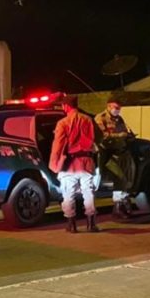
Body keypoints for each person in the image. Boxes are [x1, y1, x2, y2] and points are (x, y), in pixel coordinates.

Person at [49, 95, 100, 233]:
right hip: (86, 162)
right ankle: (91, 224)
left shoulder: (63, 123)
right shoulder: (88, 120)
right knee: (88, 193)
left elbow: (58, 145)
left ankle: (72, 225)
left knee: (68, 194)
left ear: (66, 106)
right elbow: (97, 139)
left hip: (69, 164)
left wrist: (54, 164)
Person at [95, 98, 136, 217]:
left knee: (124, 176)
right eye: (115, 107)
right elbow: (102, 136)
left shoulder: (120, 119)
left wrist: (128, 135)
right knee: (119, 176)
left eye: (119, 108)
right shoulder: (101, 118)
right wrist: (119, 135)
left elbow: (125, 130)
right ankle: (119, 205)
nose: (117, 110)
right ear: (109, 106)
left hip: (120, 152)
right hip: (107, 153)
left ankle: (121, 204)